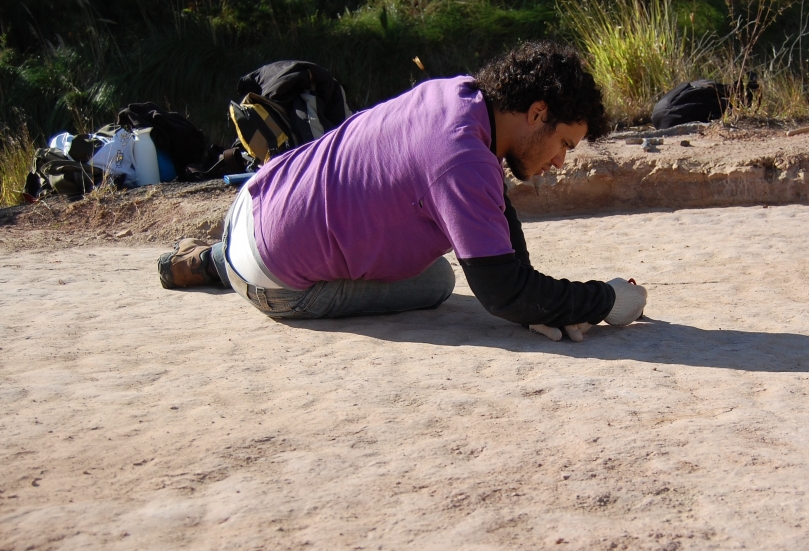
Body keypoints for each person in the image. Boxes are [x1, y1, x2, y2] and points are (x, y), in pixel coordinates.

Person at [157, 41, 647, 342]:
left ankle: (211, 259)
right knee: (435, 281)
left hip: (252, 203)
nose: (561, 160)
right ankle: (226, 266)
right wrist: (604, 301)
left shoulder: (458, 95)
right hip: (275, 285)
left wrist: (545, 300)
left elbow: (496, 214)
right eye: (564, 142)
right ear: (538, 113)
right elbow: (504, 293)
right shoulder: (463, 161)